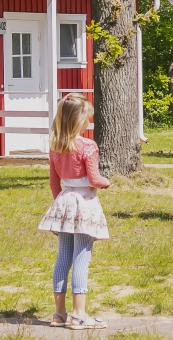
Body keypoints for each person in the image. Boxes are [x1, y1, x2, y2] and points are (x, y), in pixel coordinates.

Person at [38, 93, 110, 330]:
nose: (89, 122)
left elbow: (53, 183)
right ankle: (79, 315)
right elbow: (94, 178)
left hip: (65, 200)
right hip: (85, 204)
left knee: (63, 257)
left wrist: (60, 206)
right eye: (86, 118)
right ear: (77, 121)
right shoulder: (88, 146)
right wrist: (106, 182)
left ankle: (59, 313)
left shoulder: (56, 146)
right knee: (82, 258)